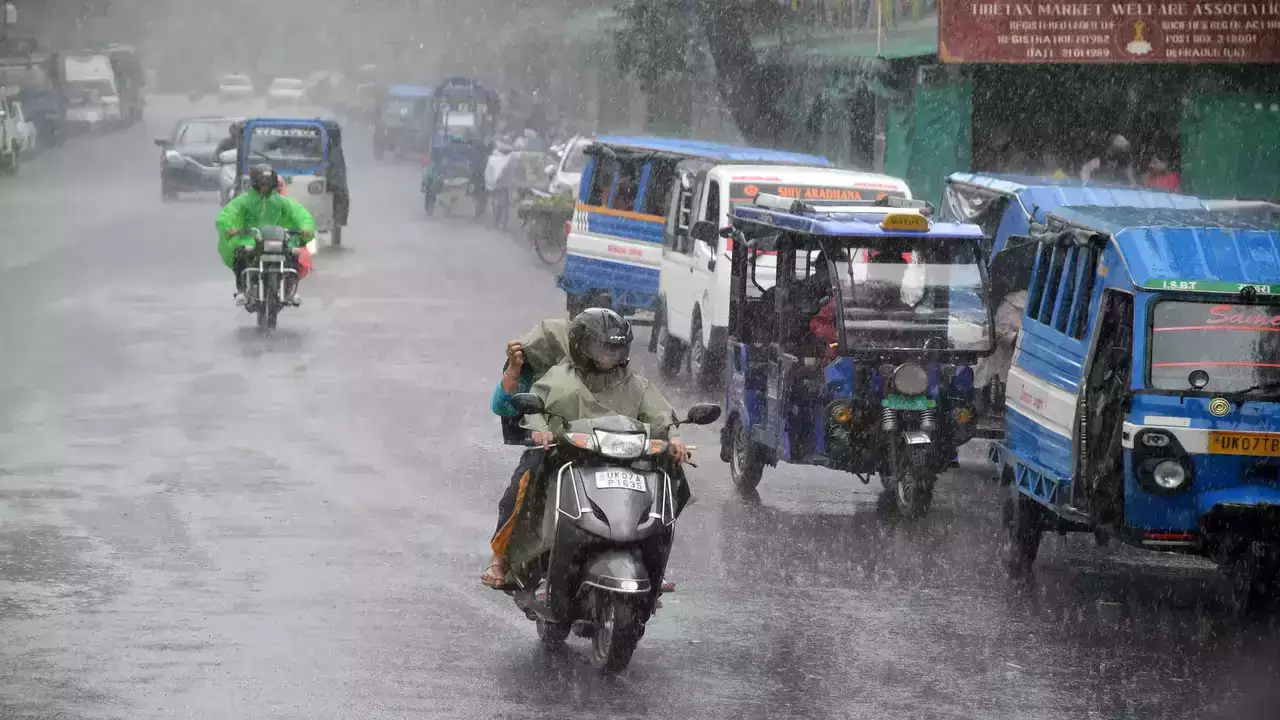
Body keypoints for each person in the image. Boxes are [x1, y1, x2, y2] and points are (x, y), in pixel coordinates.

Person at [482, 309, 689, 590]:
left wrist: (674, 438)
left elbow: (660, 415)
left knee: (665, 481)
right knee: (522, 484)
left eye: (616, 349)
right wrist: (539, 429)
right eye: (602, 348)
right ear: (581, 346)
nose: (610, 356)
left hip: (621, 458)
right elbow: (524, 407)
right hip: (563, 453)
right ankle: (501, 559)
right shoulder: (558, 378)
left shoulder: (635, 384)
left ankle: (652, 562)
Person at [215, 164, 316, 306]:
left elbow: (301, 214)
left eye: (268, 183)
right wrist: (229, 228)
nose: (265, 186)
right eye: (262, 183)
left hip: (278, 238)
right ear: (255, 183)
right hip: (250, 238)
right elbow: (227, 215)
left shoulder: (282, 201)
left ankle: (290, 288)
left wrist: (306, 228)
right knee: (241, 253)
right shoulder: (244, 201)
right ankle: (241, 290)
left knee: (294, 254)